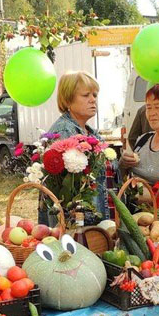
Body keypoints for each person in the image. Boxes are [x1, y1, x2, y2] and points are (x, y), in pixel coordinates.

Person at [44, 71, 109, 220]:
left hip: (95, 220)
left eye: (95, 95)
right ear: (67, 101)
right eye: (86, 95)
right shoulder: (64, 132)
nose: (93, 100)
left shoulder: (91, 133)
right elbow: (64, 194)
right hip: (77, 226)